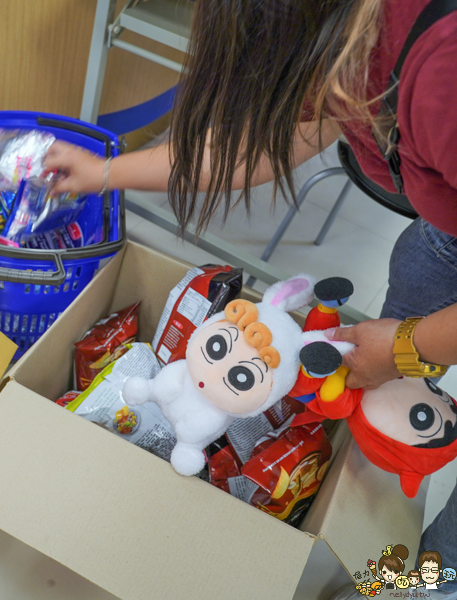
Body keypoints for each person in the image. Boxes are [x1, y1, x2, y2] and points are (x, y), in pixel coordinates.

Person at [43, 0, 457, 595]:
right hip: (441, 237)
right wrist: (105, 171)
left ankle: (432, 578)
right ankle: (385, 528)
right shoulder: (346, 42)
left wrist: (405, 347)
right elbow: (258, 148)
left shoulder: (439, 69)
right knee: (387, 404)